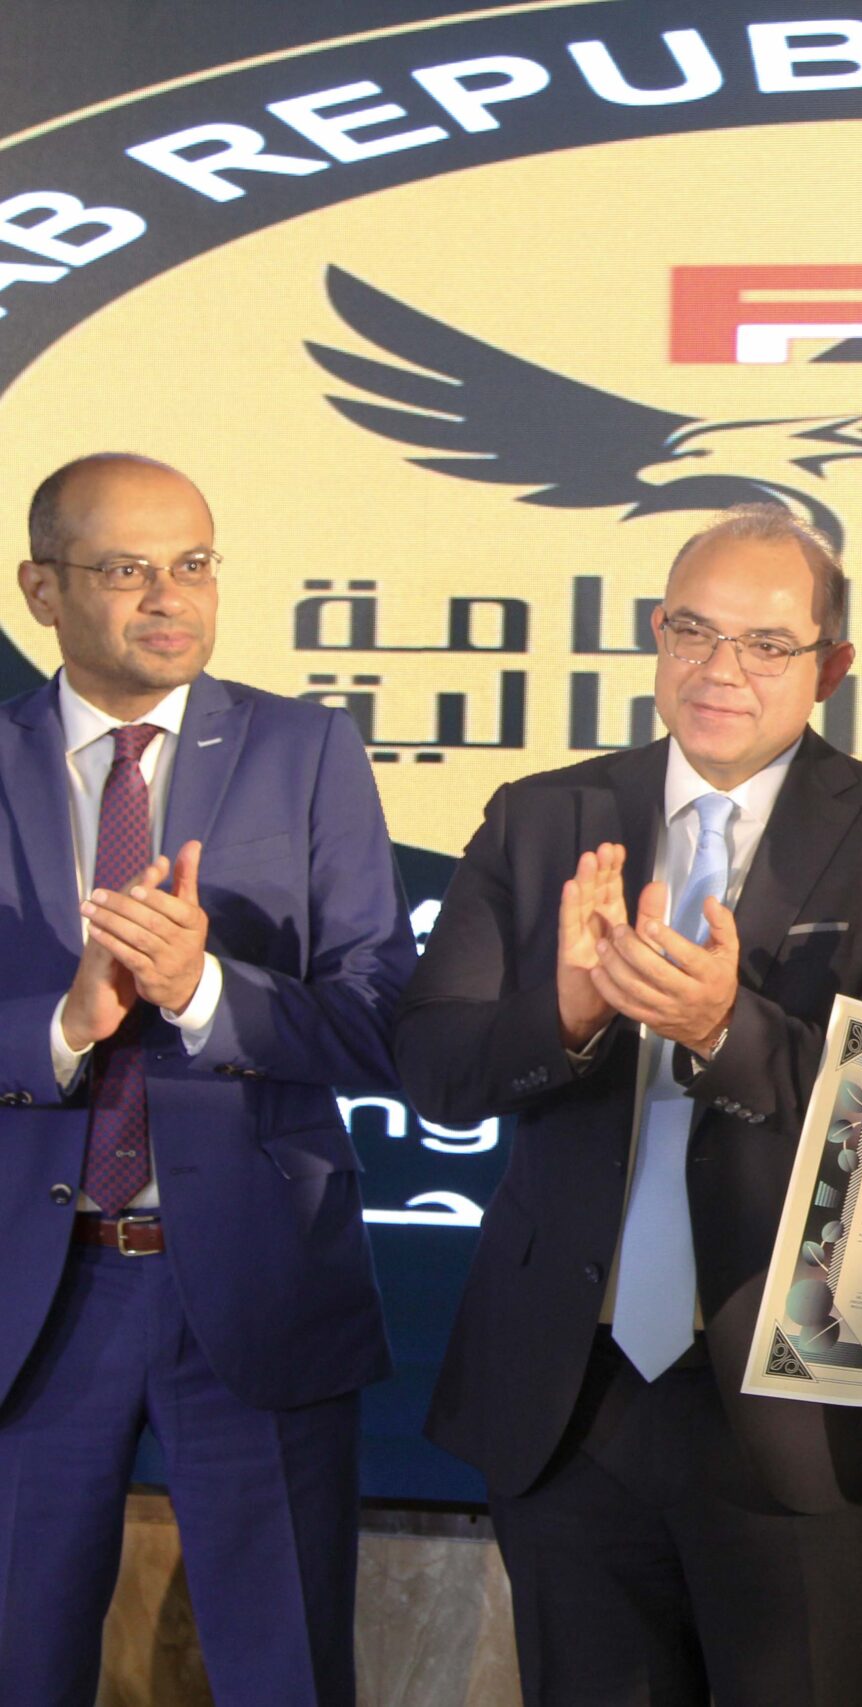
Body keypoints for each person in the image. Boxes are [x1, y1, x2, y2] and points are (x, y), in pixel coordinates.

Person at [396, 506, 862, 1706]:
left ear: (833, 667)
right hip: (570, 1396)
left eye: (768, 645)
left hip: (793, 1405)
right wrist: (562, 1015)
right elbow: (434, 1066)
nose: (722, 670)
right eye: (692, 631)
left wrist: (722, 1028)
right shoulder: (540, 818)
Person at [0, 453, 410, 1704]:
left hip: (252, 1285)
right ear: (40, 590)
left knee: (283, 1667)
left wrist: (204, 994)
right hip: (29, 1299)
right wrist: (61, 1027)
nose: (169, 597)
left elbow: (379, 1013)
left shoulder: (305, 749)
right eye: (127, 569)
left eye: (192, 564)